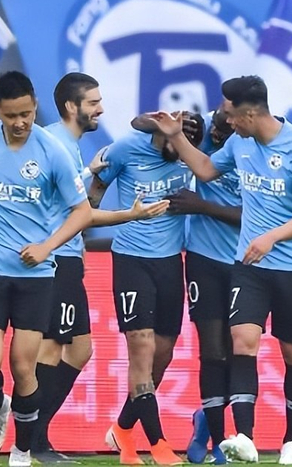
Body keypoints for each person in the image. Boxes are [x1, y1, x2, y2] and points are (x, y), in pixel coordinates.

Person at [144, 75, 292, 465]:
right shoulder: (241, 143)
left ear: (249, 114)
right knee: (242, 340)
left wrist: (271, 237)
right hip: (250, 265)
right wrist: (176, 136)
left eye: (229, 113)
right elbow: (206, 168)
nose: (224, 120)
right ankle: (243, 436)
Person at [0, 71, 92, 467]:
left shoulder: (52, 150)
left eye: (26, 113)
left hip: (35, 277)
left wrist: (46, 247)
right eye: (11, 116)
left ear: (35, 106)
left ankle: (22, 450)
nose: (20, 122)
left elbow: (82, 211)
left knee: (24, 368)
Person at [30, 72, 170, 463]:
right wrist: (130, 213)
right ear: (71, 106)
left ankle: (35, 432)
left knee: (80, 350)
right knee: (52, 346)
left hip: (68, 258)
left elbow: (76, 206)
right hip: (54, 259)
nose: (101, 109)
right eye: (93, 103)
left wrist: (88, 177)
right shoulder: (53, 142)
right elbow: (65, 206)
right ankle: (32, 440)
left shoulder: (69, 146)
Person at [88, 112, 205, 465]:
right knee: (141, 349)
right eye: (175, 141)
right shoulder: (125, 149)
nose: (180, 149)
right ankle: (158, 444)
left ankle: (123, 428)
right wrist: (80, 230)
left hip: (171, 262)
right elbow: (95, 192)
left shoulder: (191, 147)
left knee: (162, 356)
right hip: (132, 261)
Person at [156, 108, 241, 465]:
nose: (218, 133)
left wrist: (201, 206)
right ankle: (220, 442)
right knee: (213, 352)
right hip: (203, 260)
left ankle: (205, 420)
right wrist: (176, 127)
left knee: (238, 355)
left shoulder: (259, 148)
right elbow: (145, 124)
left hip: (245, 262)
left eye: (227, 126)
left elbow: (258, 216)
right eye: (218, 119)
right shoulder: (200, 128)